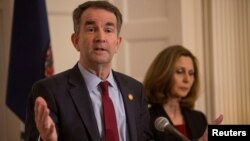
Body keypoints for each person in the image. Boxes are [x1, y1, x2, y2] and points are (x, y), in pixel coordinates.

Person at [24, 1, 153, 141]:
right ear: (76, 41)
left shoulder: (135, 90)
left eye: (108, 30)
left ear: (117, 43)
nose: (101, 38)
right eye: (91, 29)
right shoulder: (49, 91)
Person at [143, 45, 223, 141]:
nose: (187, 79)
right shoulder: (146, 119)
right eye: (180, 71)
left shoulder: (199, 118)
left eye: (191, 73)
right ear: (163, 73)